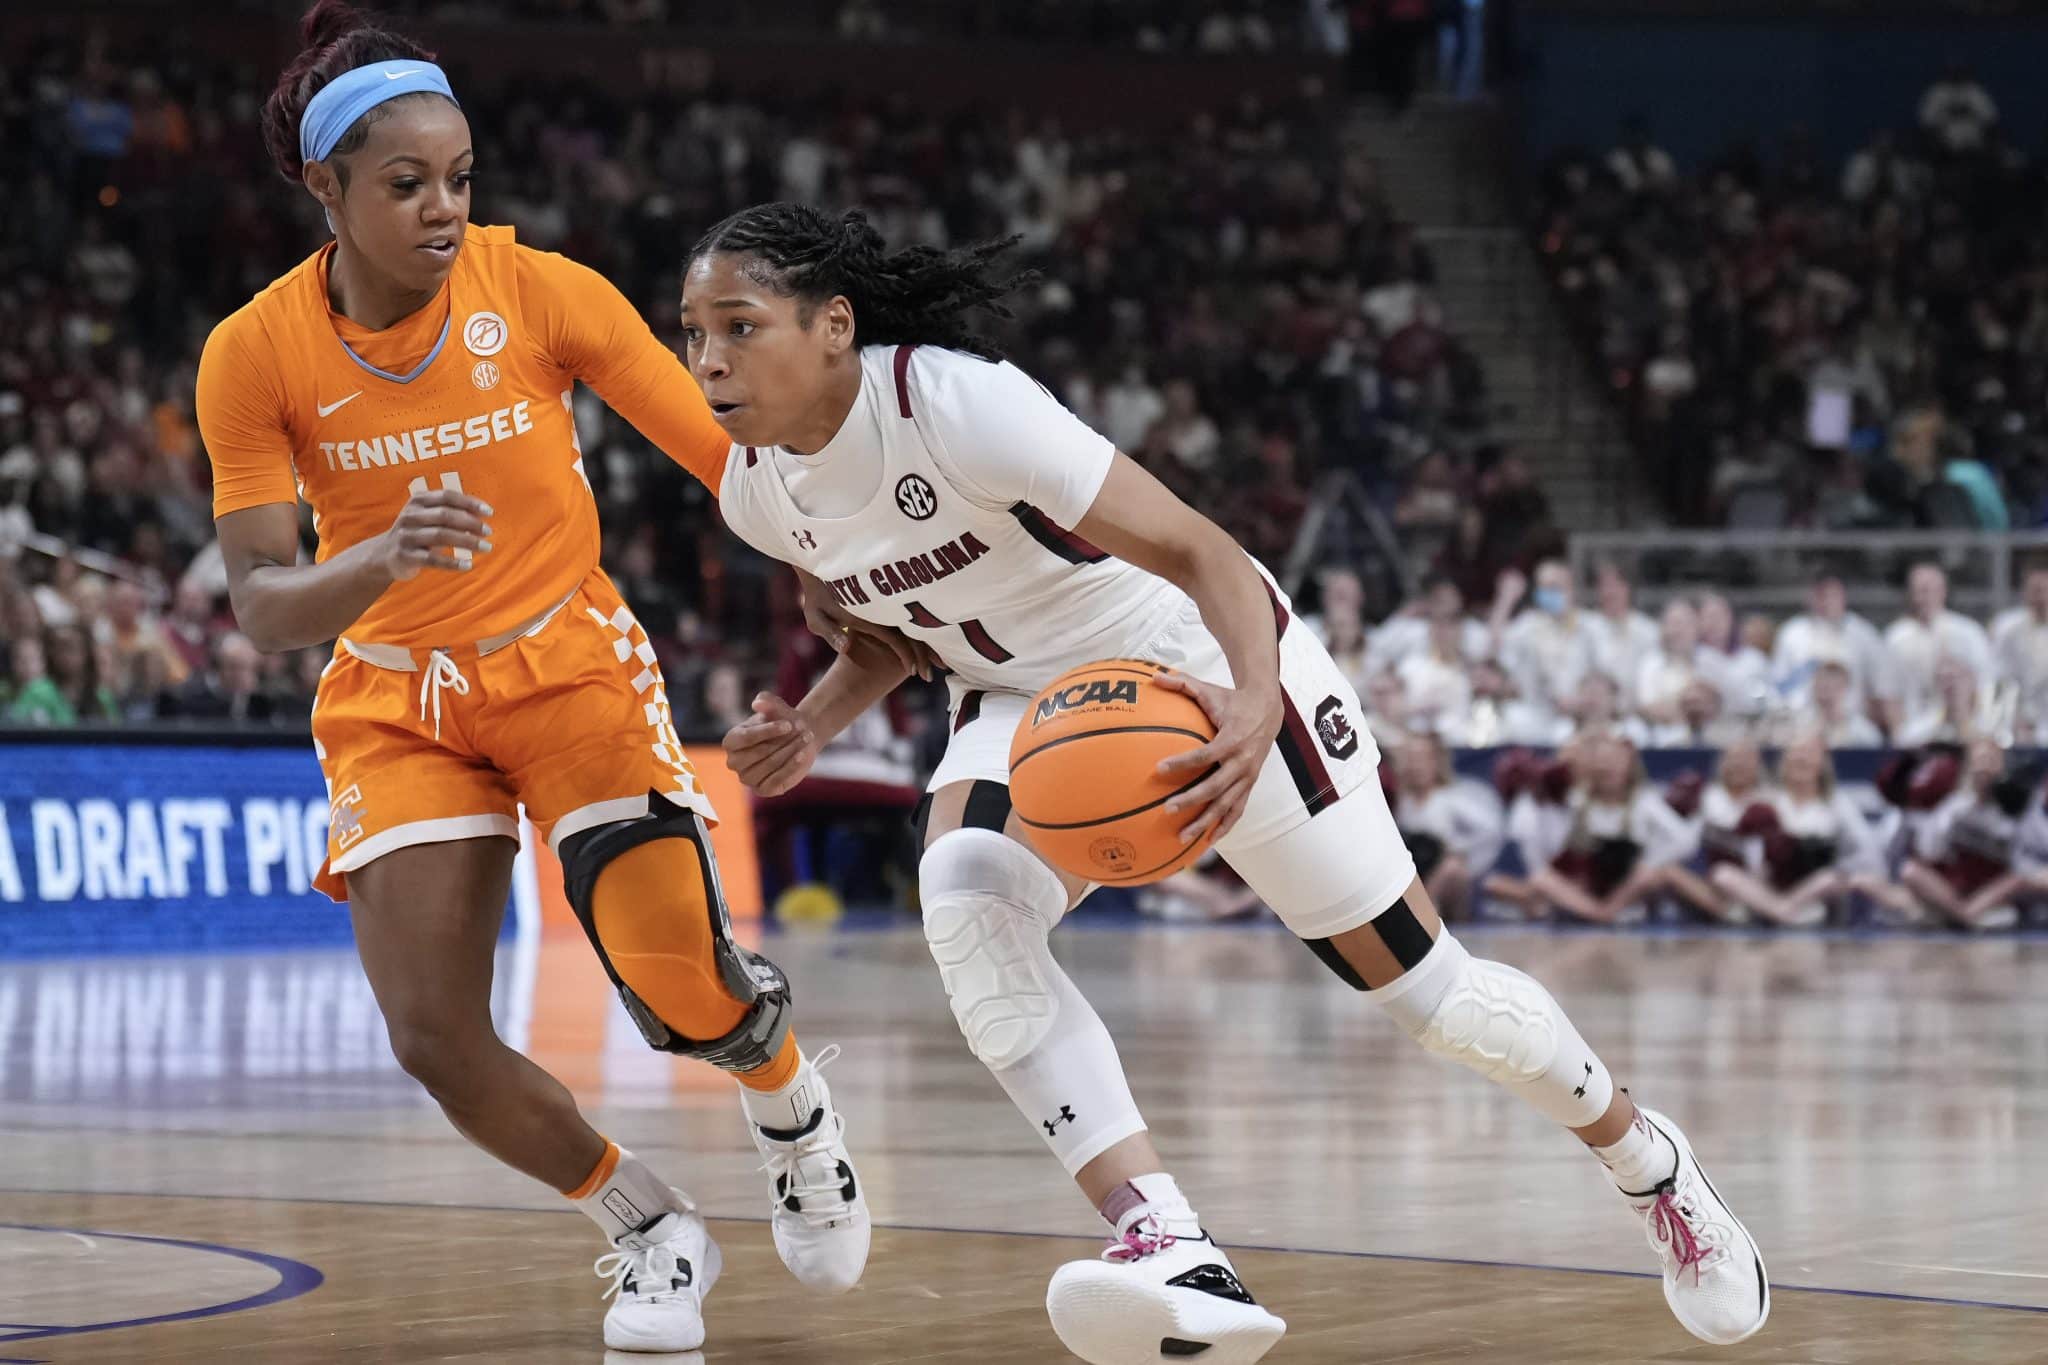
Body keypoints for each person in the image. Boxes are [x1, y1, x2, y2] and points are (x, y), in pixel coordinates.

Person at [686, 202, 1768, 1362]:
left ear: (834, 324)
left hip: (1200, 655)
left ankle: (1648, 1165)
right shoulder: (757, 494)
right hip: (1022, 707)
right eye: (692, 332)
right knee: (963, 899)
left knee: (1428, 996)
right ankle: (1167, 1240)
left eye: (737, 327)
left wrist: (1255, 704)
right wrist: (809, 723)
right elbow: (893, 637)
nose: (706, 360)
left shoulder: (955, 406)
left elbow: (1202, 551)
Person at [192, 7, 867, 1351]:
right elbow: (266, 606)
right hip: (395, 699)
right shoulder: (253, 353)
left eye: (460, 178)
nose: (444, 208)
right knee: (433, 1035)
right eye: (406, 185)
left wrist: (815, 553)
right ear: (325, 190)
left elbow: (725, 451)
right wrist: (381, 556)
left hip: (568, 664)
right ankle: (652, 1228)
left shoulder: (540, 290)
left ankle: (791, 1102)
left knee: (682, 984)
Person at [1707, 735, 1881, 928]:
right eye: (1795, 756)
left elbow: (1864, 850)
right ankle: (1780, 911)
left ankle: (1786, 909)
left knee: (1830, 878)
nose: (1801, 760)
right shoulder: (1766, 800)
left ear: (1822, 766)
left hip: (1816, 889)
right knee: (1723, 874)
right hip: (1770, 885)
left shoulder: (1837, 804)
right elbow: (1746, 847)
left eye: (1808, 756)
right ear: (1784, 763)